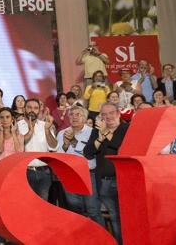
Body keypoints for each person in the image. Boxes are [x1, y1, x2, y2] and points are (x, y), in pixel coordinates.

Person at [83, 103, 127, 244]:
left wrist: (106, 133)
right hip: (104, 182)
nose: (108, 116)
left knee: (128, 216)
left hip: (124, 180)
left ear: (118, 113)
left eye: (111, 113)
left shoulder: (126, 128)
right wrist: (100, 138)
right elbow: (88, 152)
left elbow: (119, 148)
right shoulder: (97, 131)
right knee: (114, 216)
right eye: (104, 114)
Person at [55, 106, 105, 226]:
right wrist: (66, 145)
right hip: (69, 174)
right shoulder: (62, 133)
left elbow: (88, 153)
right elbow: (59, 155)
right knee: (75, 209)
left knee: (93, 210)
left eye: (78, 114)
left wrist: (72, 141)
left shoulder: (92, 132)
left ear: (85, 117)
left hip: (88, 175)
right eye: (72, 115)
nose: (74, 117)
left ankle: (102, 239)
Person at [18, 99, 57, 200]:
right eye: (29, 107)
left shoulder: (45, 125)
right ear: (24, 109)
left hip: (44, 172)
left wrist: (48, 130)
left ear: (39, 110)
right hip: (24, 173)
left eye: (35, 108)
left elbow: (53, 147)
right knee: (26, 205)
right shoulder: (17, 126)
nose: (32, 110)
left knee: (42, 207)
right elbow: (17, 148)